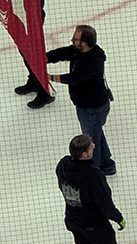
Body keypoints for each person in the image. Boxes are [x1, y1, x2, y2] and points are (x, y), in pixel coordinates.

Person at [56, 134, 126, 244]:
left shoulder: (63, 165)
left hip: (73, 220)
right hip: (94, 223)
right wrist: (118, 218)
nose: (93, 146)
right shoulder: (93, 175)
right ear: (85, 155)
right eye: (91, 147)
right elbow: (105, 203)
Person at [47, 24, 116, 174]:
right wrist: (42, 57)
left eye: (75, 39)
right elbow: (62, 53)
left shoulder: (92, 61)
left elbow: (75, 78)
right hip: (87, 106)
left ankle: (94, 170)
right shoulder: (78, 51)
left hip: (93, 108)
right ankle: (107, 164)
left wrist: (50, 77)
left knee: (91, 141)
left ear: (84, 43)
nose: (72, 40)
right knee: (95, 134)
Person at [12, 0, 54, 109]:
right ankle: (34, 80)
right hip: (20, 16)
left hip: (31, 19)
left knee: (33, 53)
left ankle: (44, 90)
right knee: (24, 51)